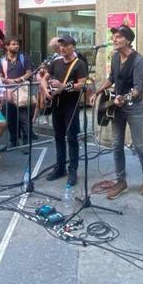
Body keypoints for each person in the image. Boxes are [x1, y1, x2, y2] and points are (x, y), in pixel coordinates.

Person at [95, 25, 143, 199]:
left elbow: (137, 89)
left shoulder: (138, 60)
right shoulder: (114, 57)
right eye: (114, 37)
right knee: (117, 144)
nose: (114, 40)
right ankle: (121, 181)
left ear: (127, 40)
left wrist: (125, 98)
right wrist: (97, 92)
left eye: (118, 37)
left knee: (138, 144)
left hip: (133, 106)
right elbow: (111, 78)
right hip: (116, 108)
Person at [40, 35, 88, 186]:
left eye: (66, 45)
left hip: (71, 105)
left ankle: (73, 170)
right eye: (61, 46)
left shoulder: (79, 64)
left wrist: (63, 87)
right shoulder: (56, 62)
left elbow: (81, 84)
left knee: (72, 138)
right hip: (57, 104)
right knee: (58, 137)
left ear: (73, 46)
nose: (62, 48)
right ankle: (60, 168)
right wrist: (45, 89)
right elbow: (44, 78)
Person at [0, 36, 33, 147]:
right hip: (8, 92)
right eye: (13, 44)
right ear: (7, 46)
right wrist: (8, 81)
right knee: (11, 117)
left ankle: (26, 142)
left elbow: (29, 72)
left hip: (22, 91)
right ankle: (14, 140)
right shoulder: (2, 60)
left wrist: (19, 79)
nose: (16, 46)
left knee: (24, 118)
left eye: (17, 44)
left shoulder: (24, 58)